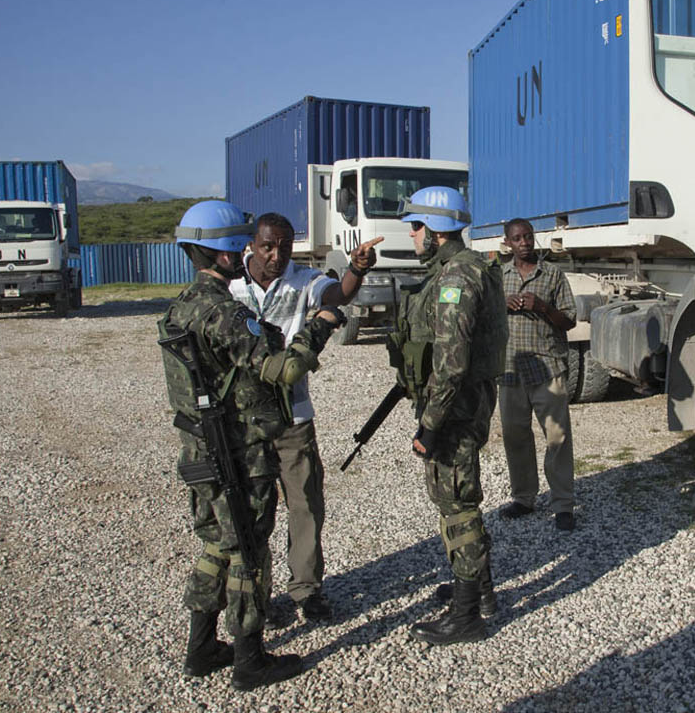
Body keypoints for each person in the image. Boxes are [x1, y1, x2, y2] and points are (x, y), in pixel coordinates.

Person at [159, 200, 343, 691]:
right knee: (248, 550)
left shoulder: (179, 306)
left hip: (199, 452)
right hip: (238, 450)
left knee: (214, 546)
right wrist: (320, 325)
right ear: (223, 254)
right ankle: (249, 658)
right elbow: (283, 370)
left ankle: (201, 648)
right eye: (239, 244)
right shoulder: (225, 312)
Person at [229, 213, 381, 623]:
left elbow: (338, 295)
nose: (276, 255)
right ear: (252, 245)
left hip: (293, 417)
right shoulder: (231, 286)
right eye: (267, 247)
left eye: (284, 246)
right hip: (243, 420)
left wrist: (356, 269)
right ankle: (254, 594)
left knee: (305, 504)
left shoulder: (303, 279)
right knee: (251, 510)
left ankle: (306, 589)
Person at [389, 186, 507, 645]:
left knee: (457, 506)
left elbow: (452, 360)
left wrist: (429, 424)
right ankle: (480, 591)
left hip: (454, 409)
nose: (413, 235)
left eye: (416, 227)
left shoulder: (457, 275)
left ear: (435, 231)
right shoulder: (460, 267)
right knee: (459, 500)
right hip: (462, 401)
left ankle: (466, 616)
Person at [496, 218, 578, 531]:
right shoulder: (498, 277)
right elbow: (485, 315)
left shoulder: (553, 275)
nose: (524, 243)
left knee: (557, 438)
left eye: (528, 237)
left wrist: (542, 306)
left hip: (548, 369)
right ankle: (524, 498)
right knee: (516, 436)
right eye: (517, 238)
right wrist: (503, 304)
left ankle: (563, 504)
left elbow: (569, 320)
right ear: (508, 243)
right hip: (510, 369)